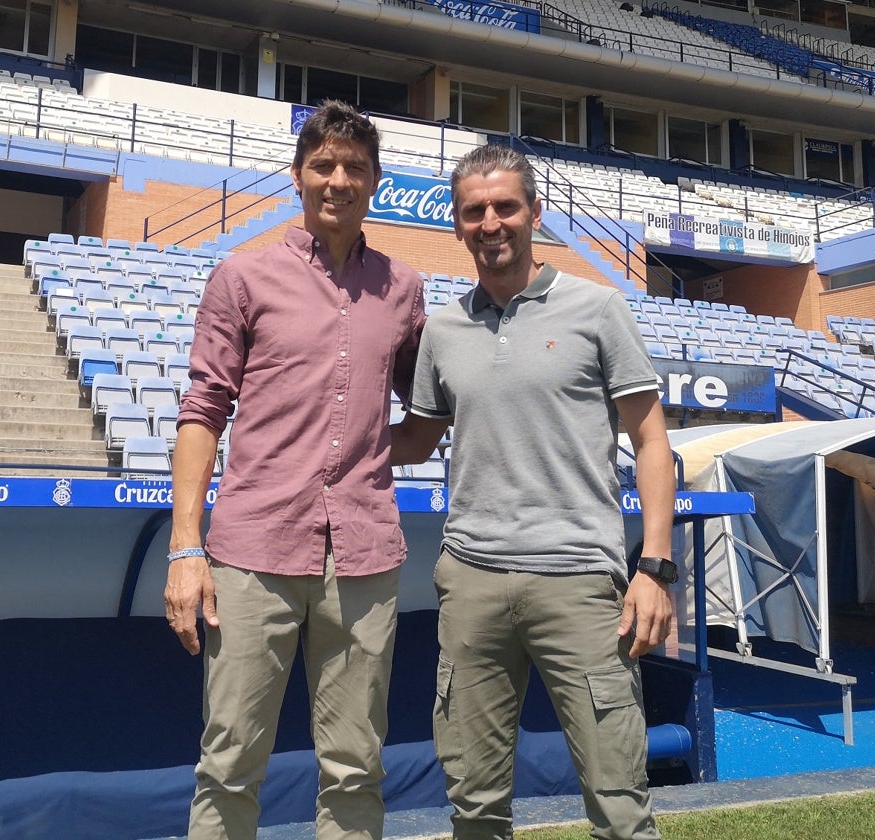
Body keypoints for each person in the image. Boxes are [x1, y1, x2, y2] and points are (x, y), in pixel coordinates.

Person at [392, 143, 676, 840]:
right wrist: (321, 443)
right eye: (474, 212)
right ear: (458, 225)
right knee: (476, 807)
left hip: (580, 581)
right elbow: (416, 440)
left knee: (619, 804)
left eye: (505, 207)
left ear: (534, 215)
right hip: (472, 582)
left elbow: (652, 442)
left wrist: (655, 569)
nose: (491, 223)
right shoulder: (443, 330)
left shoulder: (599, 308)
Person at [165, 100, 426, 840]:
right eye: (323, 165)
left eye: (354, 168)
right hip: (253, 551)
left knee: (354, 766)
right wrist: (187, 549)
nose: (338, 180)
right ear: (298, 175)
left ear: (375, 181)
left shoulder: (403, 290)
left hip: (365, 557)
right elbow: (203, 410)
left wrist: (380, 447)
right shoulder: (242, 277)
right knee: (229, 762)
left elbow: (429, 407)